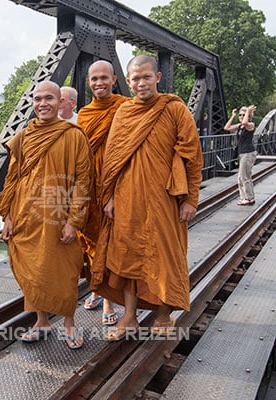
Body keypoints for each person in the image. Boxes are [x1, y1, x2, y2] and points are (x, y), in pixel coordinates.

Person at [91, 55, 203, 341]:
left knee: (164, 256)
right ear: (127, 82)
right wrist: (110, 197)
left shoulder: (175, 109)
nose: (141, 83)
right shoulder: (125, 113)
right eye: (135, 78)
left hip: (164, 199)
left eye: (146, 77)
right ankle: (128, 317)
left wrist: (190, 199)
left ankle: (163, 314)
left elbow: (192, 156)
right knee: (127, 257)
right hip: (127, 198)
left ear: (158, 78)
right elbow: (113, 159)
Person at [0, 80, 92, 350]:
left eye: (49, 98)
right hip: (26, 214)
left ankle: (69, 323)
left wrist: (74, 221)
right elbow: (12, 178)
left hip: (58, 216)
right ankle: (41, 321)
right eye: (37, 99)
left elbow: (83, 181)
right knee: (33, 273)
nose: (43, 104)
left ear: (61, 101)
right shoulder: (24, 137)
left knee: (64, 271)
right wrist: (8, 216)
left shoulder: (74, 135)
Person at [76, 60, 129, 326]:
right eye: (94, 79)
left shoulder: (124, 108)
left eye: (104, 78)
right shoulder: (84, 113)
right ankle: (97, 289)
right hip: (89, 188)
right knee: (90, 242)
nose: (99, 83)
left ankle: (109, 299)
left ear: (114, 79)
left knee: (112, 244)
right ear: (88, 83)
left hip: (116, 185)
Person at [225, 105, 257, 205]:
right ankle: (246, 197)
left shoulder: (250, 125)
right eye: (240, 115)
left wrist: (248, 111)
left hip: (248, 153)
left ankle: (248, 198)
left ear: (248, 116)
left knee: (244, 176)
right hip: (242, 153)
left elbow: (245, 122)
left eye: (243, 115)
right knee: (241, 177)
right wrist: (233, 116)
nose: (241, 116)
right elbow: (227, 128)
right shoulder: (240, 126)